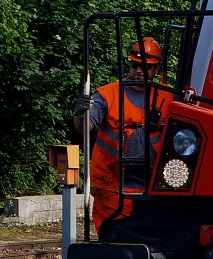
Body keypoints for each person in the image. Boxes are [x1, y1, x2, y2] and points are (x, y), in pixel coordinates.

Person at [73, 37, 170, 229]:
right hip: (112, 189)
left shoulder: (170, 97)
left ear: (156, 69)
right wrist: (80, 112)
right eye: (135, 65)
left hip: (156, 189)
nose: (139, 70)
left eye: (145, 66)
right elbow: (84, 127)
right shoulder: (108, 94)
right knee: (113, 241)